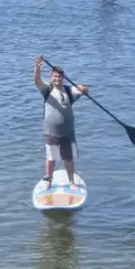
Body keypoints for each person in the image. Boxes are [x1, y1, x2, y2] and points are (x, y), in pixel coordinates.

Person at [33, 55, 89, 190]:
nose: (57, 79)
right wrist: (37, 67)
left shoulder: (70, 90)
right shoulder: (47, 89)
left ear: (63, 78)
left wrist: (82, 88)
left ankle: (71, 182)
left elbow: (86, 91)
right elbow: (36, 80)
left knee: (68, 159)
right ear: (52, 77)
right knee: (51, 158)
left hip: (67, 131)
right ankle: (48, 180)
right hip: (51, 132)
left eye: (60, 77)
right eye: (55, 76)